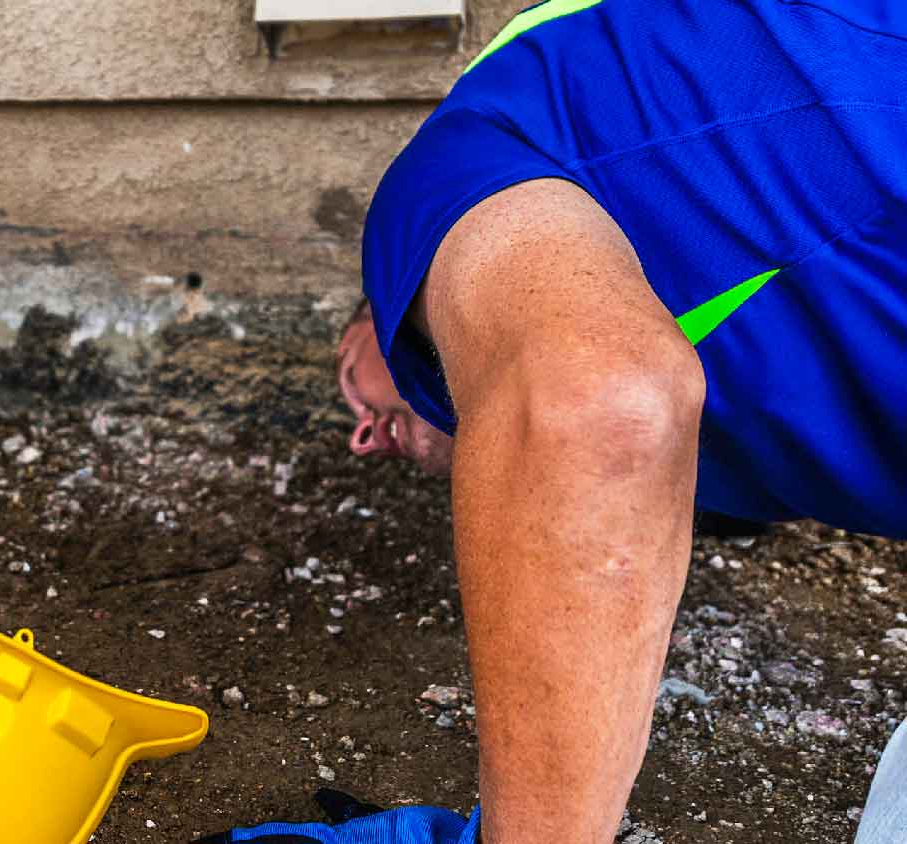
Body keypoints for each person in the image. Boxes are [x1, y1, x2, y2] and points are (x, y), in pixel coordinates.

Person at [202, 1, 907, 842]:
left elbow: (597, 402)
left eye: (353, 389)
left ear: (380, 307)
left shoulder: (447, 184)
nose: (366, 433)